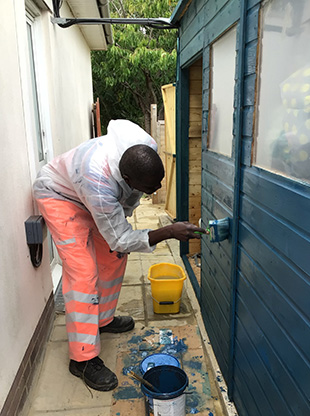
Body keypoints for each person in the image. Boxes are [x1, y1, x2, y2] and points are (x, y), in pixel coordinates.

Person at [33, 119, 206, 392]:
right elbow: (120, 238)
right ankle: (83, 358)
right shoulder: (97, 182)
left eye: (159, 182)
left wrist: (126, 227)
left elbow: (118, 235)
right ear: (128, 179)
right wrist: (168, 231)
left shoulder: (143, 149)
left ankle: (102, 319)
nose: (157, 189)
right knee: (83, 271)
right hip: (61, 197)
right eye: (151, 186)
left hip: (93, 198)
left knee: (113, 256)